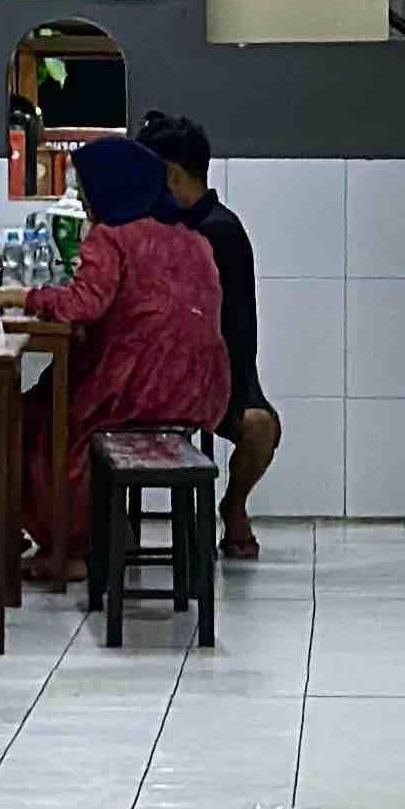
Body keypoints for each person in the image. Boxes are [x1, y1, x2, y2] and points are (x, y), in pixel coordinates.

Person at [21, 133, 228, 563]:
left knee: (38, 419)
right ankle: (107, 534)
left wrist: (25, 297)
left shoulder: (111, 237)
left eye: (84, 191)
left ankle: (72, 547)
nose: (83, 201)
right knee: (49, 401)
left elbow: (82, 305)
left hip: (133, 390)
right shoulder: (193, 239)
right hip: (198, 393)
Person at [139, 111, 281, 560]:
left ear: (171, 174)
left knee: (261, 428)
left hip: (216, 371)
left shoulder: (219, 231)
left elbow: (234, 329)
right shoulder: (148, 226)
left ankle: (233, 505)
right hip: (155, 368)